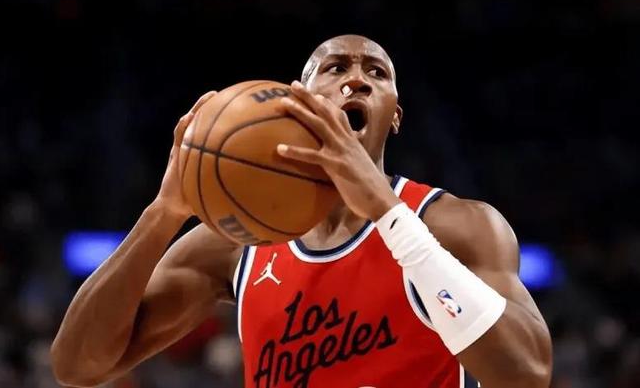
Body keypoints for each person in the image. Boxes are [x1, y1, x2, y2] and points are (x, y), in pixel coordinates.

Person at [51, 34, 553, 388]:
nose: (356, 80)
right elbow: (78, 365)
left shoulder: (454, 224)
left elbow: (527, 374)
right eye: (336, 68)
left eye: (376, 73)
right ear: (299, 99)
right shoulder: (236, 243)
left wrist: (388, 214)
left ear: (395, 115)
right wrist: (164, 211)